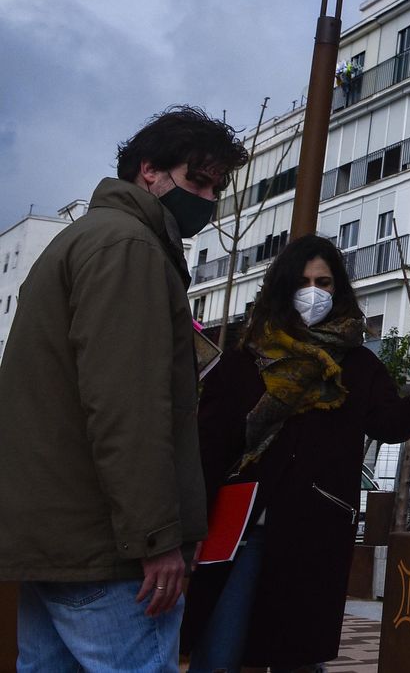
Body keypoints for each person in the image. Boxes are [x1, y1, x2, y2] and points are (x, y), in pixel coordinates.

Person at [0, 106, 249, 671]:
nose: (207, 199)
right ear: (148, 170)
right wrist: (156, 539)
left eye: (216, 188)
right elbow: (128, 407)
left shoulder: (84, 240)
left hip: (55, 541)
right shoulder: (130, 248)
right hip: (108, 550)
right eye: (196, 180)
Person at [181, 235, 410, 672]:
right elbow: (208, 447)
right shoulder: (245, 359)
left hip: (314, 532)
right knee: (219, 654)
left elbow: (387, 423)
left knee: (298, 657)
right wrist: (190, 526)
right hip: (240, 531)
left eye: (323, 283)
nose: (313, 292)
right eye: (303, 282)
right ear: (283, 287)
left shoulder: (358, 364)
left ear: (337, 289)